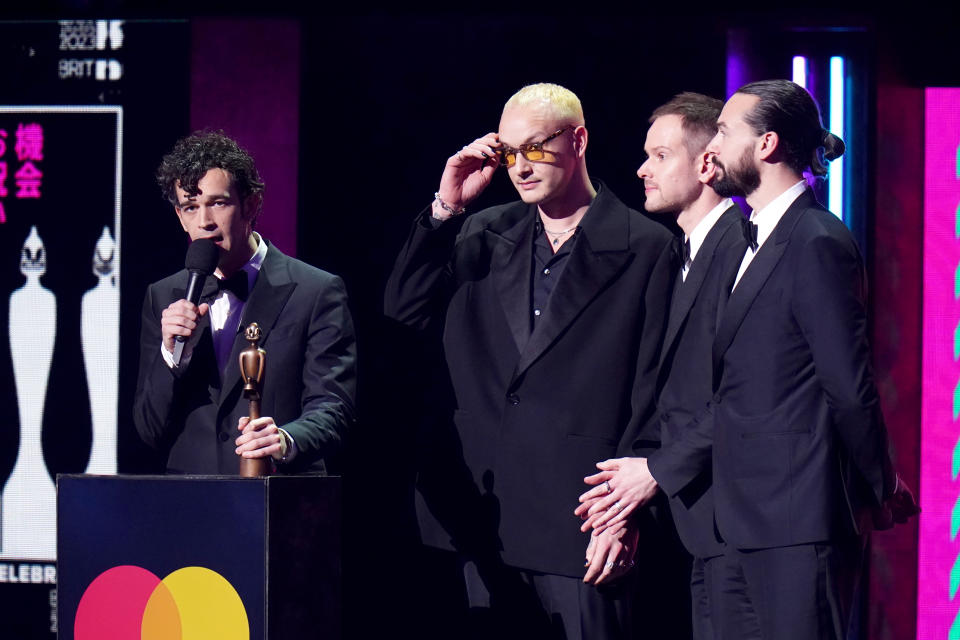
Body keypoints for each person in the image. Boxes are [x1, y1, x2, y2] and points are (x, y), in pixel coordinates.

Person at [579, 80, 917, 639]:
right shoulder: (759, 239)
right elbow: (744, 384)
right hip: (739, 522)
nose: (714, 147)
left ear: (766, 145)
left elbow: (848, 385)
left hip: (797, 522)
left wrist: (877, 484)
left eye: (726, 132)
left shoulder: (815, 240)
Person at [384, 83, 676, 638]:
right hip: (482, 514)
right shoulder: (481, 233)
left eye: (536, 147)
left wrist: (625, 514)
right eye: (509, 152)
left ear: (579, 140)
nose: (520, 166)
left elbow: (656, 392)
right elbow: (403, 309)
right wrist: (446, 207)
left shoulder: (646, 247)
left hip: (580, 517)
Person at [576, 92, 746, 640]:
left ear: (706, 164)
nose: (641, 168)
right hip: (699, 524)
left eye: (660, 155)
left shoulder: (741, 251)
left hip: (742, 519)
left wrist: (654, 473)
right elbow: (664, 394)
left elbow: (744, 392)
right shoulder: (679, 256)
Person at [134, 131, 356, 475]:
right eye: (191, 207)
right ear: (180, 217)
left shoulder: (316, 291)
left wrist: (285, 440)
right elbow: (149, 429)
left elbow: (334, 408)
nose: (204, 221)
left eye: (218, 203)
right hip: (190, 505)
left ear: (251, 205)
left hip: (279, 502)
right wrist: (171, 356)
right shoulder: (164, 297)